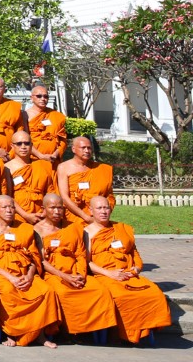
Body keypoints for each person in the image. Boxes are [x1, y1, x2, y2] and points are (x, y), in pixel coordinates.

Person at [85, 195, 171, 344]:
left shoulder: (121, 228)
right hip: (105, 275)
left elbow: (134, 254)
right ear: (90, 210)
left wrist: (136, 269)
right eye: (99, 208)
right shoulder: (87, 232)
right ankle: (121, 335)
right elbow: (86, 262)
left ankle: (142, 331)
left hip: (128, 274)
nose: (104, 211)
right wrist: (109, 273)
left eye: (106, 207)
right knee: (120, 296)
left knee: (154, 293)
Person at [0, 195, 62, 347]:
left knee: (46, 290)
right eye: (4, 207)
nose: (9, 210)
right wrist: (10, 277)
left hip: (25, 272)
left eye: (12, 207)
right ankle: (14, 333)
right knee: (7, 291)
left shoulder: (25, 228)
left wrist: (29, 276)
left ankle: (40, 335)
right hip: (1, 274)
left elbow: (34, 258)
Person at [34, 193, 117, 337]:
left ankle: (93, 331)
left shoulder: (73, 227)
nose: (56, 211)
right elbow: (42, 261)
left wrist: (80, 274)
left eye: (60, 208)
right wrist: (65, 276)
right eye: (52, 208)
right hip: (54, 273)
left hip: (77, 270)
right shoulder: (37, 230)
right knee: (63, 293)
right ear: (44, 209)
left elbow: (81, 254)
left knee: (100, 291)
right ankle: (68, 332)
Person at [58, 136, 115, 224]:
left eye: (89, 148)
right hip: (74, 214)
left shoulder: (101, 168)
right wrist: (85, 217)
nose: (87, 151)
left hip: (97, 215)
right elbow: (64, 197)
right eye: (83, 148)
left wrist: (101, 214)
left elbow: (109, 195)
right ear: (73, 149)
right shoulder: (64, 167)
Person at [6, 130, 55, 223]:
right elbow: (8, 197)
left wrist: (45, 212)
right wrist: (25, 215)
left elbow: (49, 192)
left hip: (42, 214)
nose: (23, 147)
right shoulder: (7, 168)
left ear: (32, 145)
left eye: (27, 143)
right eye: (19, 144)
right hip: (18, 216)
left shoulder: (43, 165)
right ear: (12, 146)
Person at [26, 84, 67, 166]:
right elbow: (24, 141)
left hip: (53, 160)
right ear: (31, 98)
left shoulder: (56, 115)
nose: (43, 99)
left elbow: (62, 139)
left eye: (45, 96)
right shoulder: (25, 115)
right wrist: (40, 156)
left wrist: (56, 154)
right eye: (39, 96)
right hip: (33, 160)